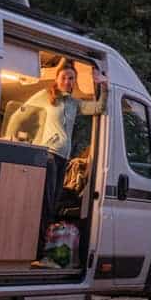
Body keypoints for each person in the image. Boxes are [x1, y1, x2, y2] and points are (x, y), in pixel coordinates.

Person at [12, 59, 105, 268]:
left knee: (53, 204)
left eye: (71, 78)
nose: (67, 80)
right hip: (48, 155)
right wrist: (17, 137)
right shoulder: (46, 97)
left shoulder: (74, 104)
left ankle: (40, 251)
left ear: (74, 81)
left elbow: (99, 107)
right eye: (64, 77)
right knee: (45, 205)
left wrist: (102, 84)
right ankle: (36, 252)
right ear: (57, 79)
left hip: (64, 158)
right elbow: (20, 113)